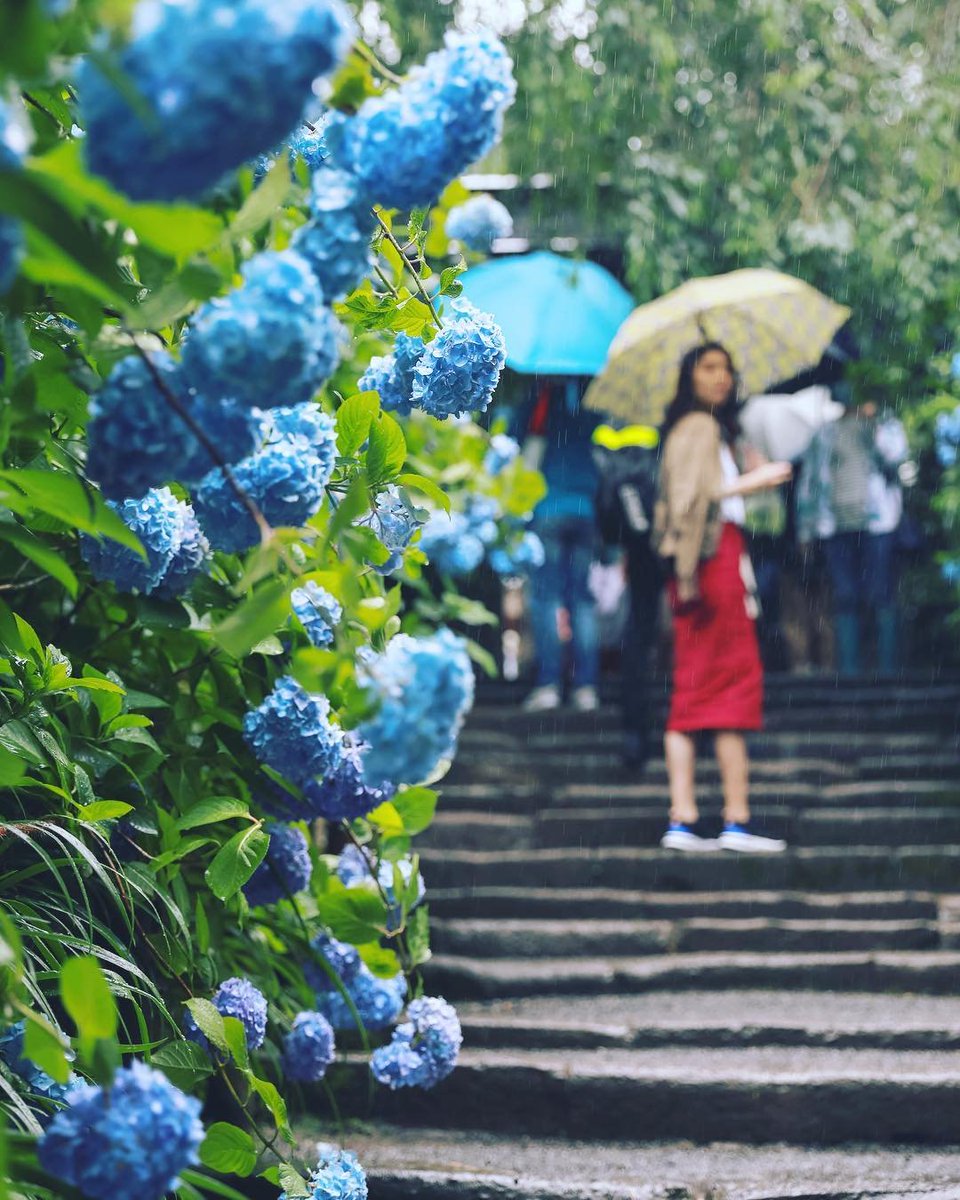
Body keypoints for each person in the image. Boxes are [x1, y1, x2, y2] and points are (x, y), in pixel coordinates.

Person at [652, 343, 792, 853]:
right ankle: (724, 819)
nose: (722, 377)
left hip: (706, 565)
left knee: (704, 691)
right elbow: (694, 499)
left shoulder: (703, 429)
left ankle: (692, 818)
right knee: (727, 687)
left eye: (727, 368)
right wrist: (756, 480)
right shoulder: (701, 427)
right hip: (710, 566)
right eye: (709, 367)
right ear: (689, 375)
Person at [796, 387, 907, 677]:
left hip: (878, 523)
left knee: (881, 594)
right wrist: (806, 531)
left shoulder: (882, 426)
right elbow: (810, 481)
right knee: (845, 595)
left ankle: (887, 671)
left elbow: (896, 459)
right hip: (835, 526)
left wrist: (873, 426)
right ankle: (850, 673)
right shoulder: (825, 433)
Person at [520, 378, 602, 712]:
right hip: (586, 510)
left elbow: (521, 451)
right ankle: (586, 686)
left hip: (547, 508)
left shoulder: (539, 402)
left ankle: (549, 683)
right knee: (582, 598)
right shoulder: (593, 403)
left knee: (546, 597)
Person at [592, 421, 662, 767]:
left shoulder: (612, 437)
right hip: (670, 548)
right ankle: (688, 730)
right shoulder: (662, 437)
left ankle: (636, 731)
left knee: (637, 636)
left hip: (639, 554)